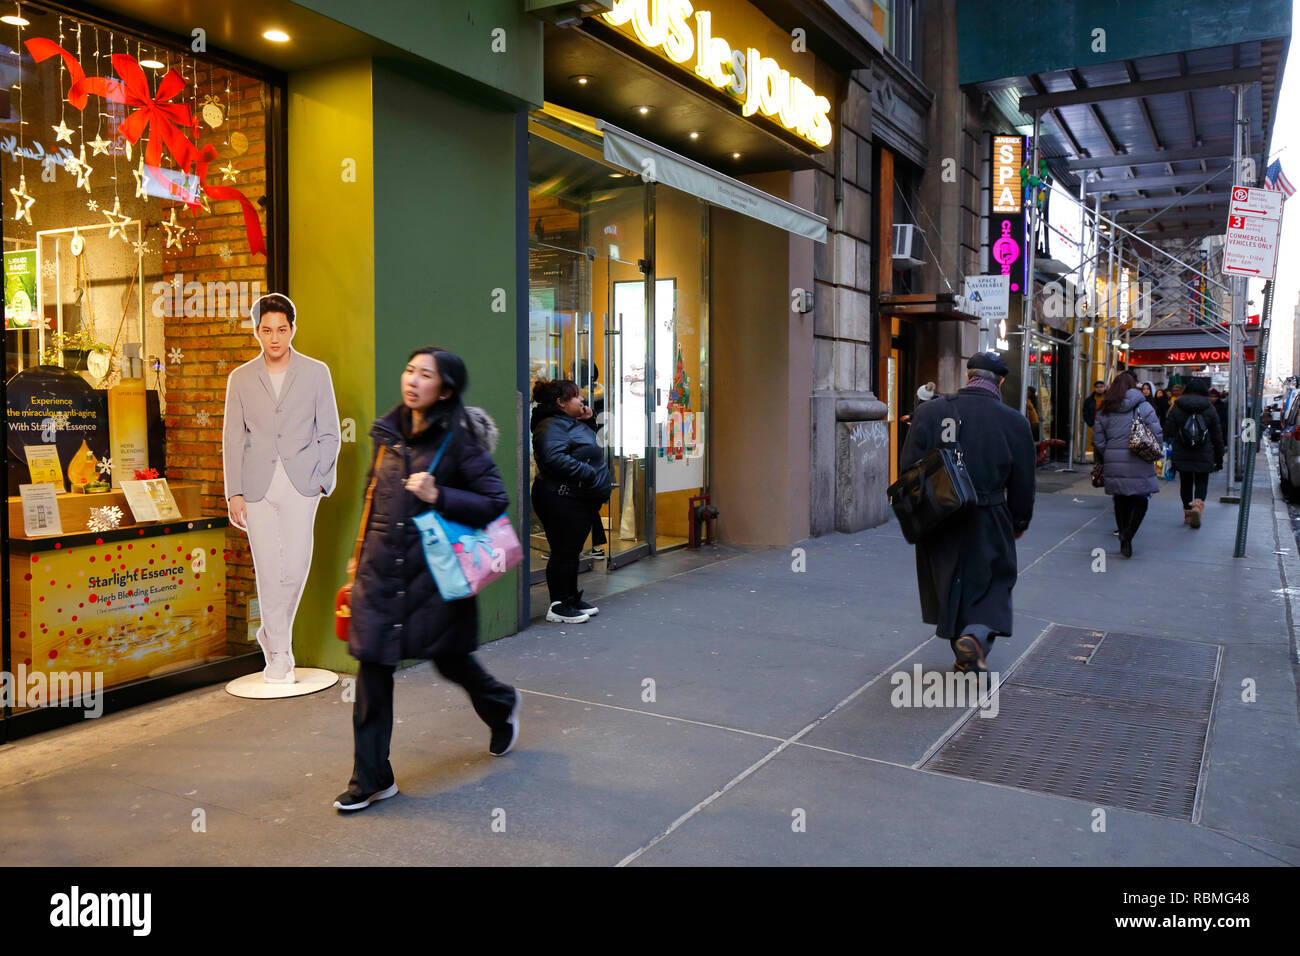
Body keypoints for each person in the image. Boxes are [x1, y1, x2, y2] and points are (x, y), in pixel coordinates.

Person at [335, 347, 519, 812]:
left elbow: (495, 500)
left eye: (426, 375)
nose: (413, 380)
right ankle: (372, 777)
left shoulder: (458, 442)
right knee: (373, 671)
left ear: (447, 389)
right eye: (410, 370)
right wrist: (359, 557)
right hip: (381, 574)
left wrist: (440, 494)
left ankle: (499, 705)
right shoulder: (387, 434)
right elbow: (372, 498)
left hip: (435, 577)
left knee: (451, 661)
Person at [222, 293, 340, 684]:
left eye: (282, 329)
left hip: (301, 483)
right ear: (257, 332)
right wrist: (233, 492)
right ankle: (279, 654)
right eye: (267, 330)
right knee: (268, 570)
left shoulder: (316, 372)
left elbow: (329, 431)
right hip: (256, 486)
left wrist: (322, 478)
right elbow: (232, 440)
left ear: (293, 329)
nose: (274, 338)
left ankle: (271, 633)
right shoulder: (239, 378)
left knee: (296, 567)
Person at [900, 351, 1036, 674]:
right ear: (1000, 382)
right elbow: (1024, 481)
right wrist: (1019, 520)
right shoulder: (1014, 422)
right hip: (989, 512)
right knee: (993, 580)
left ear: (967, 377)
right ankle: (973, 638)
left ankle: (964, 647)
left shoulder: (930, 413)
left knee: (949, 579)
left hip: (938, 513)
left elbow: (908, 467)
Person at [531, 378, 613, 624]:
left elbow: (580, 446)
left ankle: (570, 598)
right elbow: (553, 456)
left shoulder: (565, 422)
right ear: (561, 402)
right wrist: (589, 475)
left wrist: (587, 419)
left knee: (571, 551)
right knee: (564, 552)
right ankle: (559, 605)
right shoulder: (552, 424)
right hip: (562, 497)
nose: (582, 400)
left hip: (574, 496)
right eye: (576, 396)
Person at [1093, 370, 1162, 558]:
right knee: (1141, 500)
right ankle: (1128, 534)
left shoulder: (1104, 409)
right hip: (1140, 458)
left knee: (1121, 500)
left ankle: (1124, 534)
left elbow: (1098, 440)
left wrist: (1108, 453)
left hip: (1114, 461)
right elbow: (1156, 434)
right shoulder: (1144, 407)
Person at [1163, 376, 1224, 529]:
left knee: (1186, 482)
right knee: (1202, 481)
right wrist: (1219, 457)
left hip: (1182, 451)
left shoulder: (1177, 406)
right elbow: (1217, 435)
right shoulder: (1209, 407)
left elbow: (1168, 431)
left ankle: (1188, 513)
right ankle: (1197, 505)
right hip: (1204, 451)